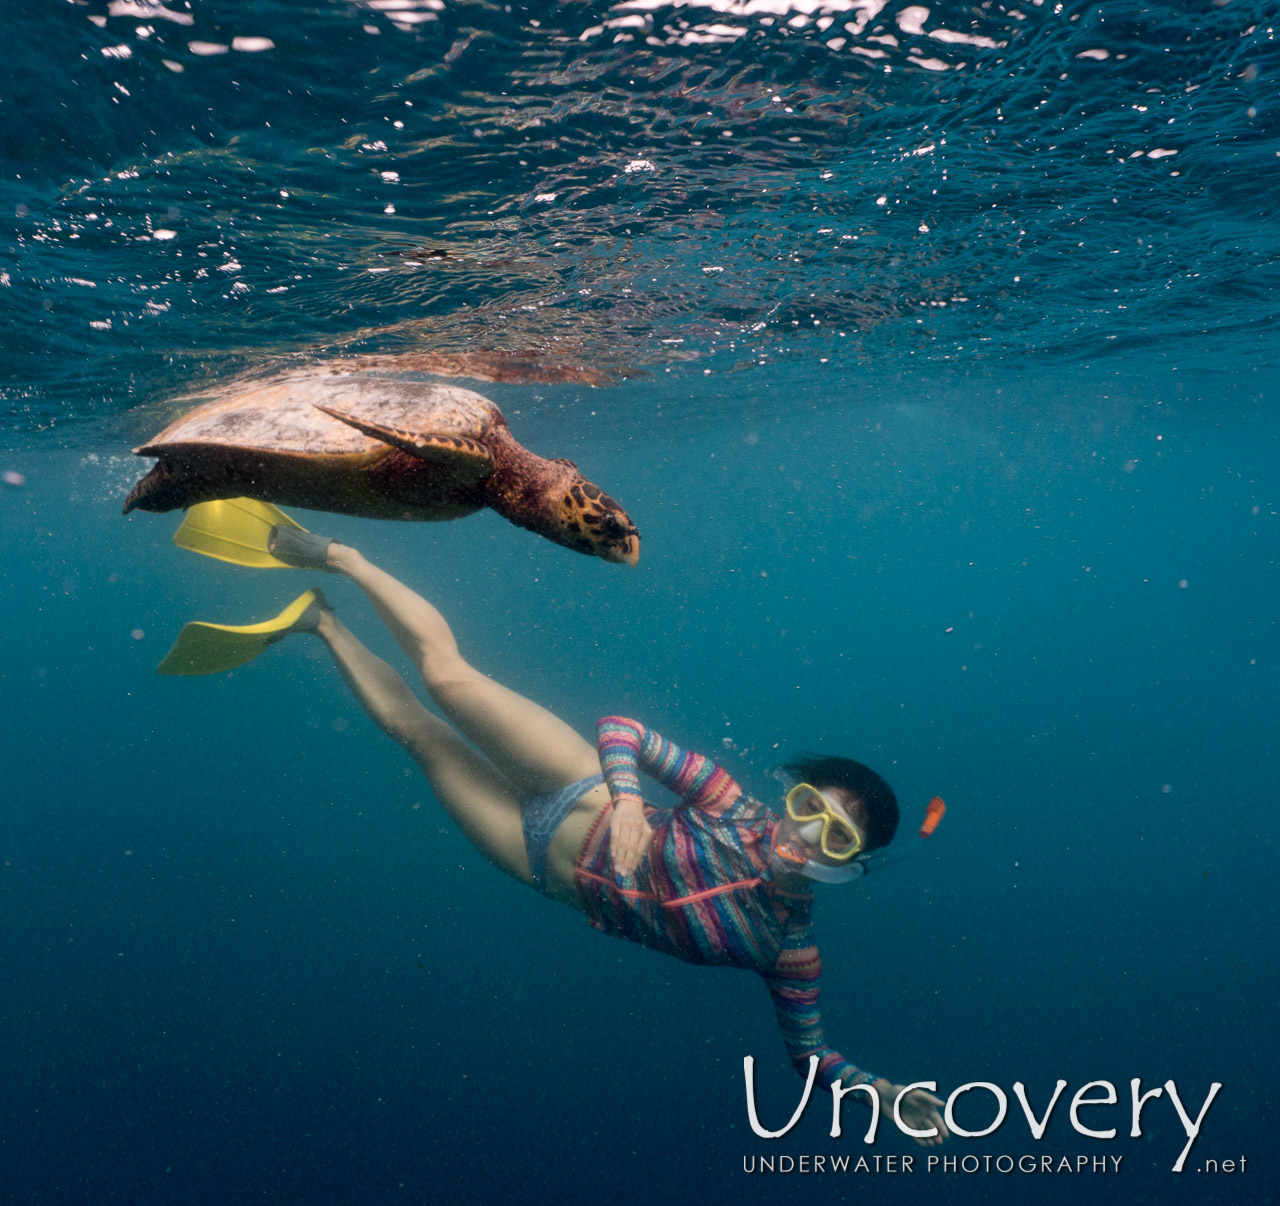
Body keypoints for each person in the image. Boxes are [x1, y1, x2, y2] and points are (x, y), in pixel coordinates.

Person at [159, 504, 948, 1143]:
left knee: (420, 738)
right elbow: (623, 730)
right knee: (445, 677)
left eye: (834, 837)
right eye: (810, 807)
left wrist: (876, 1093)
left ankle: (321, 624)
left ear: (847, 864)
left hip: (542, 868)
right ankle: (341, 558)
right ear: (794, 798)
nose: (805, 834)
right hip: (580, 790)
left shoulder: (790, 954)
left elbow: (809, 1058)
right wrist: (633, 801)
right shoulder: (730, 803)